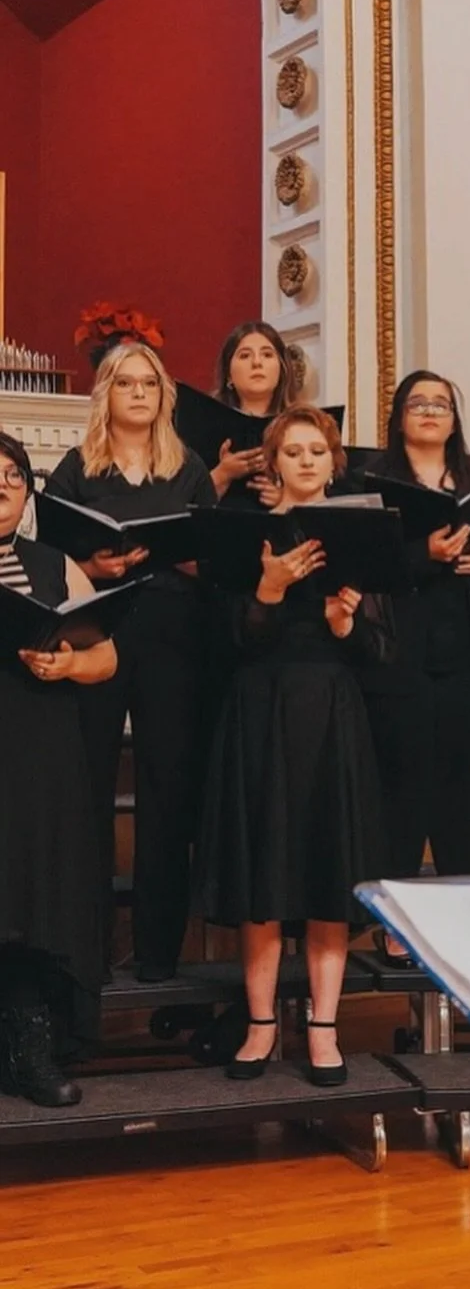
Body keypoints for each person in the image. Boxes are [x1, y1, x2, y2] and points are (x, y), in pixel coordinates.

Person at [198, 405, 391, 1087]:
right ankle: (258, 1024)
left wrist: (344, 623)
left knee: (323, 869)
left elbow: (378, 652)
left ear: (333, 462)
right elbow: (232, 643)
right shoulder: (247, 535)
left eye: (317, 450)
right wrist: (269, 589)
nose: (306, 460)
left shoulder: (361, 535)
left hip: (331, 710)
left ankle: (323, 1027)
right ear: (273, 462)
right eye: (293, 451)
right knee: (264, 870)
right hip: (259, 707)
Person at [47, 343, 216, 983]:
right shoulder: (77, 468)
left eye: (150, 383)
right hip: (98, 630)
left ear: (164, 395)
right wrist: (93, 568)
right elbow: (45, 555)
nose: (140, 393)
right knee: (88, 783)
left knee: (167, 786)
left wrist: (177, 555)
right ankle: (88, 941)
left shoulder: (189, 466)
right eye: (126, 383)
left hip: (174, 634)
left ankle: (157, 950)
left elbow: (212, 556)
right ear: (107, 394)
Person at [361, 373, 470, 957]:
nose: (430, 412)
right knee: (402, 790)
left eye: (441, 404)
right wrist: (424, 555)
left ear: (455, 419)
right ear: (400, 417)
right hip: (399, 655)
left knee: (457, 791)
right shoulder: (375, 483)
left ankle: (458, 917)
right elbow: (369, 567)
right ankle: (397, 923)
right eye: (418, 403)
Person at [0, 433, 118, 1107]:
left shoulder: (55, 565)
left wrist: (69, 664)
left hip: (41, 755)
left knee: (30, 900)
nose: (2, 485)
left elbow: (105, 656)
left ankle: (30, 1050)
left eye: (13, 474)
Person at [208, 321, 296, 506]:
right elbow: (181, 504)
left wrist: (285, 499)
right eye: (245, 355)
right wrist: (222, 474)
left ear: (282, 369)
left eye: (267, 354)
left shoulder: (302, 426)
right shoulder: (204, 422)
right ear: (229, 375)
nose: (257, 363)